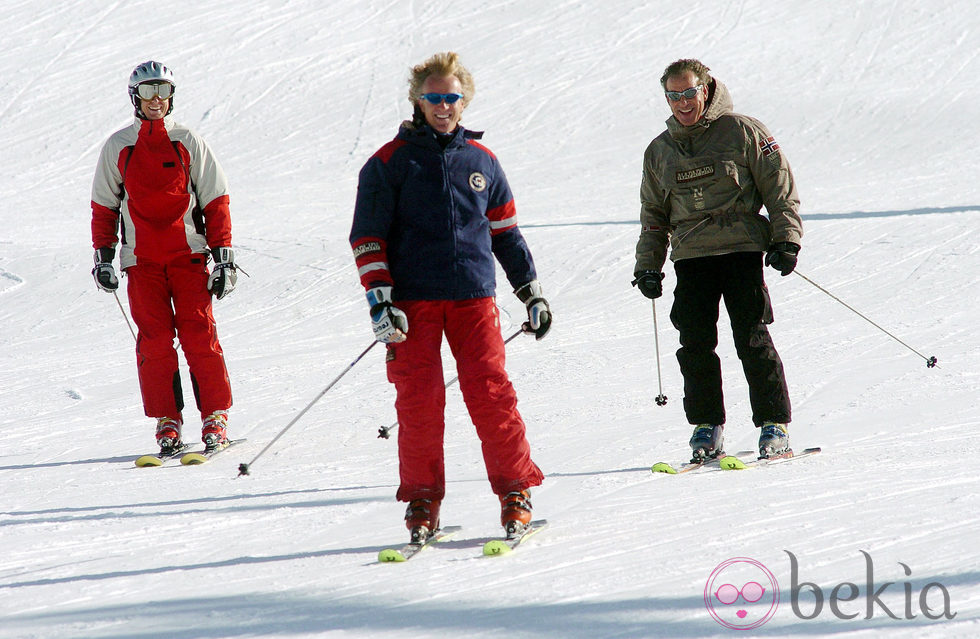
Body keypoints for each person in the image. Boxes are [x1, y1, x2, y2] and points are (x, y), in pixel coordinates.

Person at [350, 51, 551, 542]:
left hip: (473, 299)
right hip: (412, 305)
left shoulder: (482, 162)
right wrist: (381, 299)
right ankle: (422, 502)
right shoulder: (387, 164)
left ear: (465, 101)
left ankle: (515, 492)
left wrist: (531, 293)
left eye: (452, 98)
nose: (443, 106)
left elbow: (505, 233)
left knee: (491, 394)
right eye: (434, 98)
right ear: (418, 101)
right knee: (418, 403)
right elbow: (367, 237)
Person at [632, 59, 803, 461]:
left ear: (705, 89)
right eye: (674, 96)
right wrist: (648, 266)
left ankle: (773, 424)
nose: (683, 103)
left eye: (689, 92)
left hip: (741, 250)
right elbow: (653, 215)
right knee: (694, 342)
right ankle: (706, 426)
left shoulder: (743, 131)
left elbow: (779, 188)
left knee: (751, 336)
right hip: (691, 258)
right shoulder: (659, 151)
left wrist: (786, 239)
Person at [90, 61, 239, 455]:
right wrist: (103, 257)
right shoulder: (119, 146)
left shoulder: (188, 141)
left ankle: (215, 417)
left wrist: (223, 259)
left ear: (171, 96)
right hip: (143, 262)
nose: (156, 100)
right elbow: (104, 206)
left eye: (163, 91)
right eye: (147, 91)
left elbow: (215, 200)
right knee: (154, 343)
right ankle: (167, 421)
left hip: (188, 257)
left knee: (198, 336)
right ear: (134, 97)